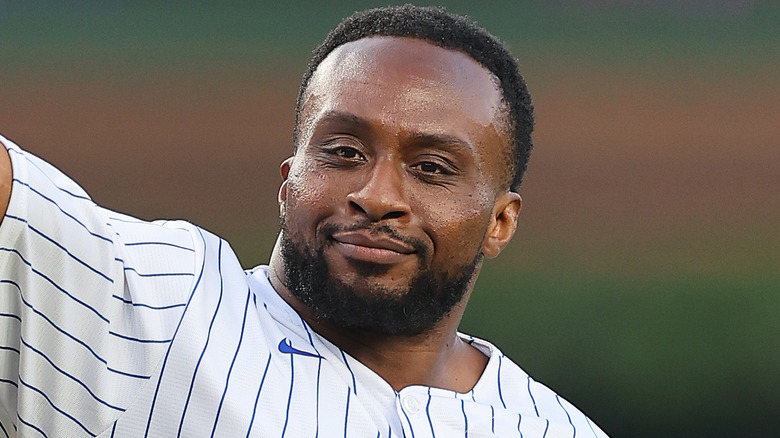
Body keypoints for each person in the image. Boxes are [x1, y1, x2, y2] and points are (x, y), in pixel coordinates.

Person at [0, 5, 607, 437]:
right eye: (343, 152)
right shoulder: (156, 310)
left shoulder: (554, 428)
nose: (376, 195)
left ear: (500, 221)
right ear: (290, 181)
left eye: (431, 167)